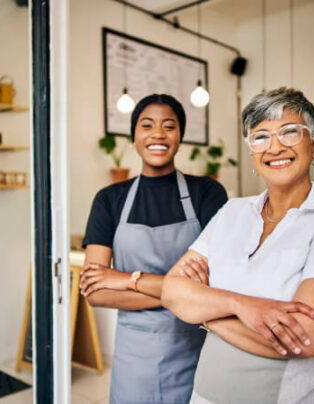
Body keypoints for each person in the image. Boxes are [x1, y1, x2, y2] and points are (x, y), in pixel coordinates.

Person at [162, 87, 314, 403]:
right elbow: (172, 291)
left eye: (290, 132)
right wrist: (244, 306)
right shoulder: (233, 211)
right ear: (252, 151)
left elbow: (305, 337)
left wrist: (205, 312)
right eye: (261, 136)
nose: (275, 147)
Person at [80, 94, 228, 404]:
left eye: (169, 126)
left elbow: (217, 283)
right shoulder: (109, 200)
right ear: (134, 136)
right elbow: (95, 291)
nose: (158, 134)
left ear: (180, 137)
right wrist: (182, 293)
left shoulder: (208, 193)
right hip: (134, 359)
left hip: (197, 348)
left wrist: (125, 279)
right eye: (147, 125)